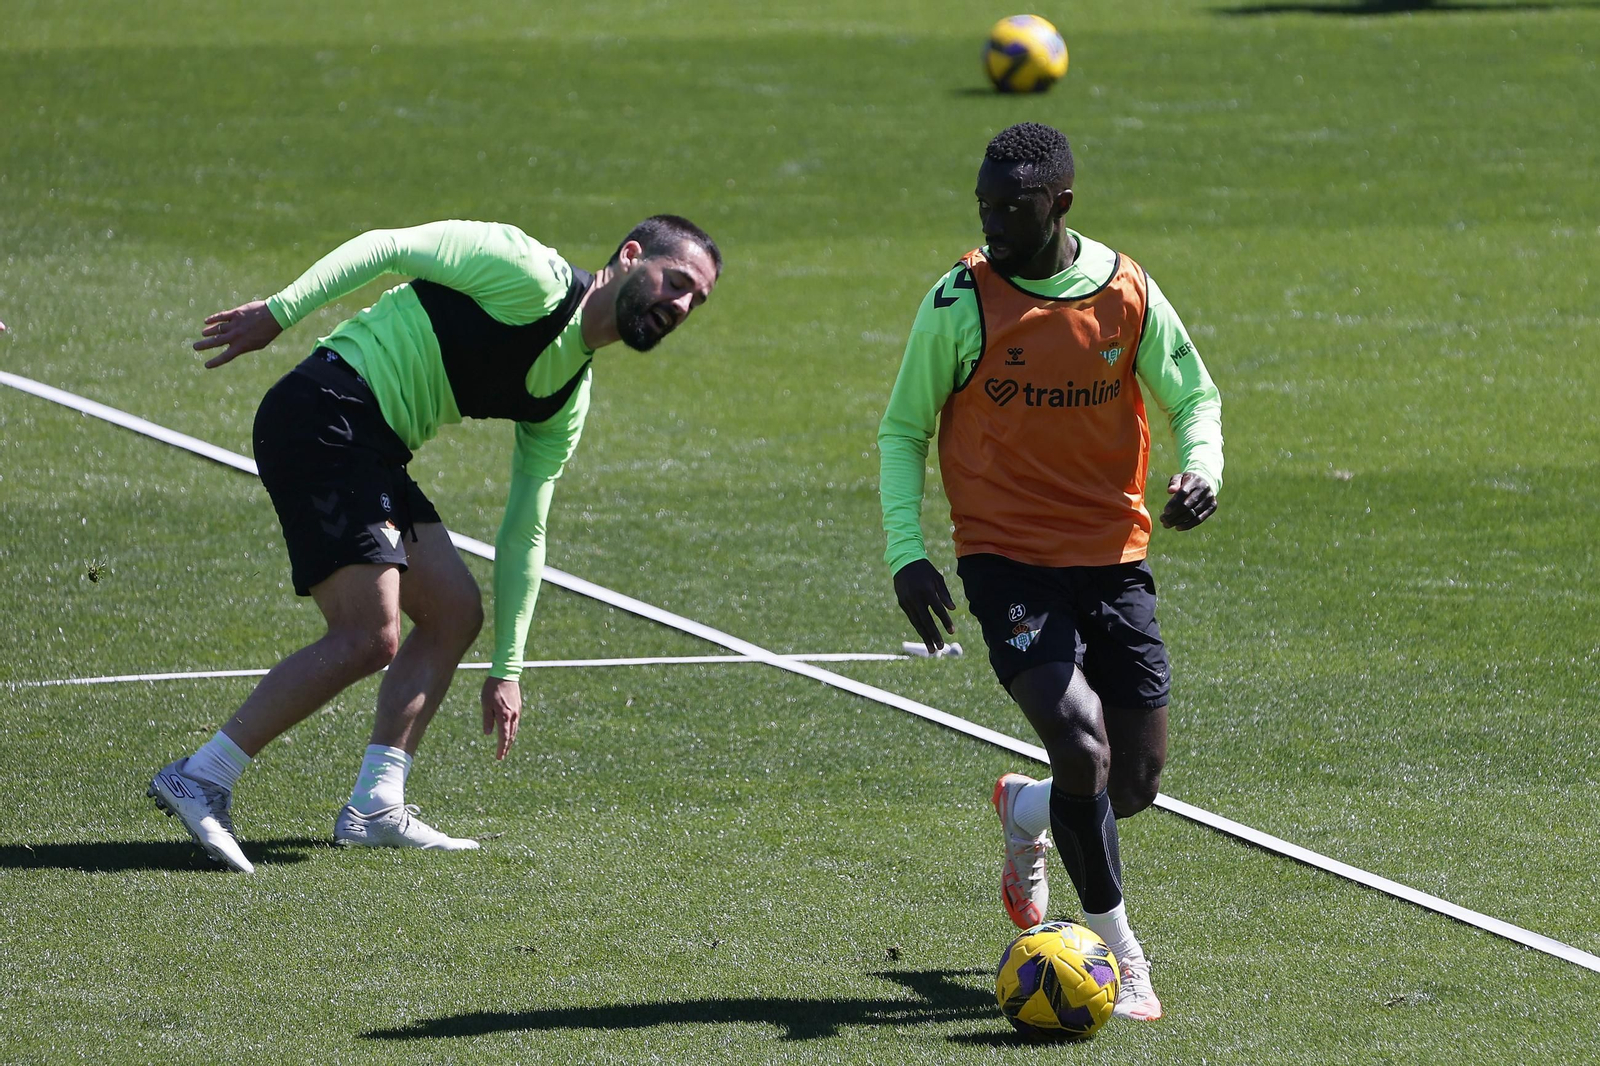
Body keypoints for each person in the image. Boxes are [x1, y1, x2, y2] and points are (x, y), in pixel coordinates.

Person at [149, 217, 721, 873]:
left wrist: (509, 666)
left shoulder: (568, 393)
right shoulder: (526, 271)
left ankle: (374, 804)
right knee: (369, 635)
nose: (678, 306)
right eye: (675, 283)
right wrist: (280, 312)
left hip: (374, 447)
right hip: (325, 413)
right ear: (629, 257)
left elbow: (524, 529)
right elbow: (386, 245)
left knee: (454, 611)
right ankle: (202, 775)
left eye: (693, 302)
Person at [878, 123, 1222, 1021]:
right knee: (1081, 742)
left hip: (1113, 559)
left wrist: (1202, 471)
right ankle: (1121, 953)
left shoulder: (1125, 291)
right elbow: (903, 430)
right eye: (984, 204)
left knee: (1132, 782)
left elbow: (1194, 396)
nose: (992, 222)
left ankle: (1026, 811)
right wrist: (908, 554)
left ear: (1060, 202)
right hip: (1006, 558)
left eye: (1012, 207)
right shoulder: (960, 301)